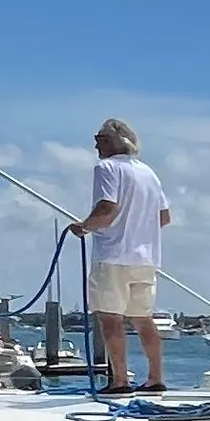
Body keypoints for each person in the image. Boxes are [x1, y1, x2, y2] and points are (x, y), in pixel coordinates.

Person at [80, 118, 172, 392]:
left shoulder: (106, 167)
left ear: (112, 142)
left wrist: (84, 227)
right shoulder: (149, 173)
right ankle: (156, 378)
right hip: (144, 259)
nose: (96, 144)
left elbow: (107, 209)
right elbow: (164, 217)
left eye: (100, 139)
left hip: (113, 255)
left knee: (110, 319)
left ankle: (120, 381)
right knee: (143, 320)